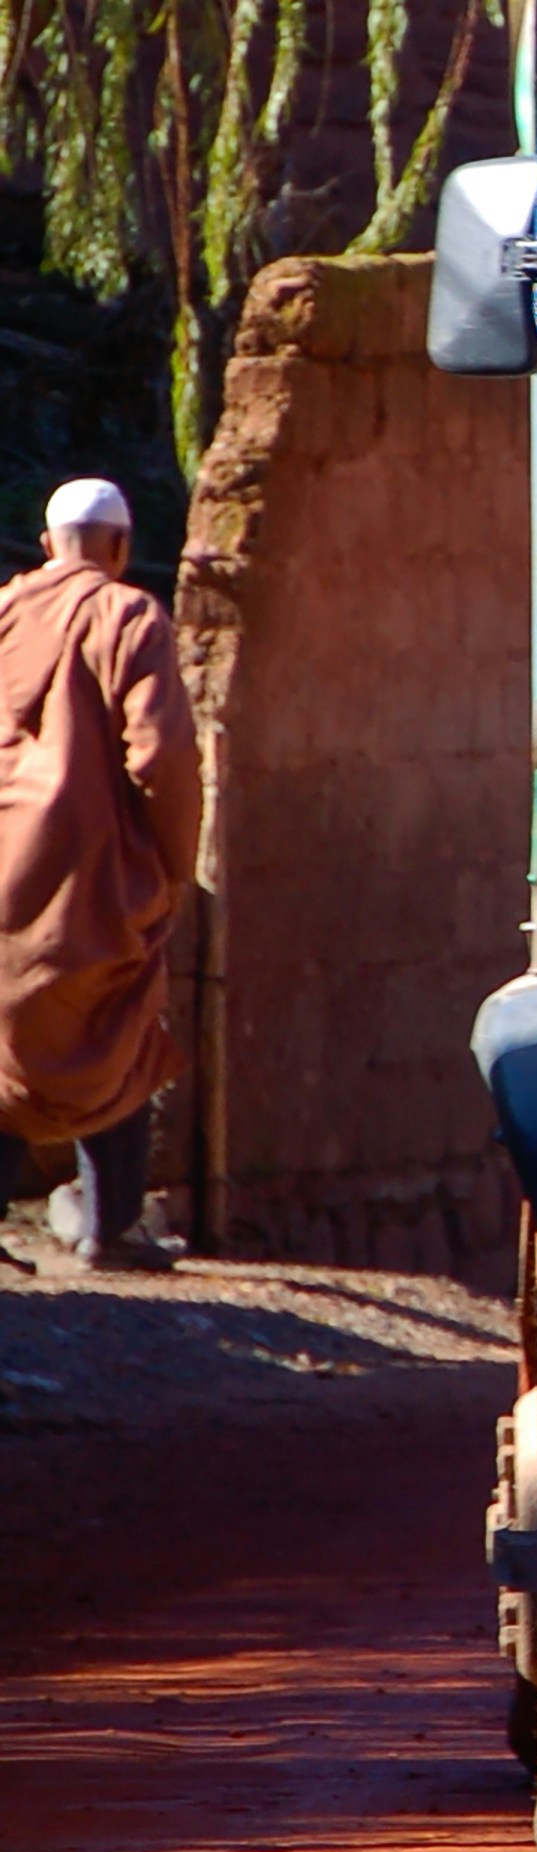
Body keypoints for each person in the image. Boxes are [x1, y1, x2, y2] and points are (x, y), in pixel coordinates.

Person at [0, 479, 203, 1273]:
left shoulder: (8, 612)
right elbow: (161, 756)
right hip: (92, 880)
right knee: (118, 1036)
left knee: (9, 1036)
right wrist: (172, 860)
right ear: (119, 547)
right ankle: (108, 1230)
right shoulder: (129, 616)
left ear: (49, 543)